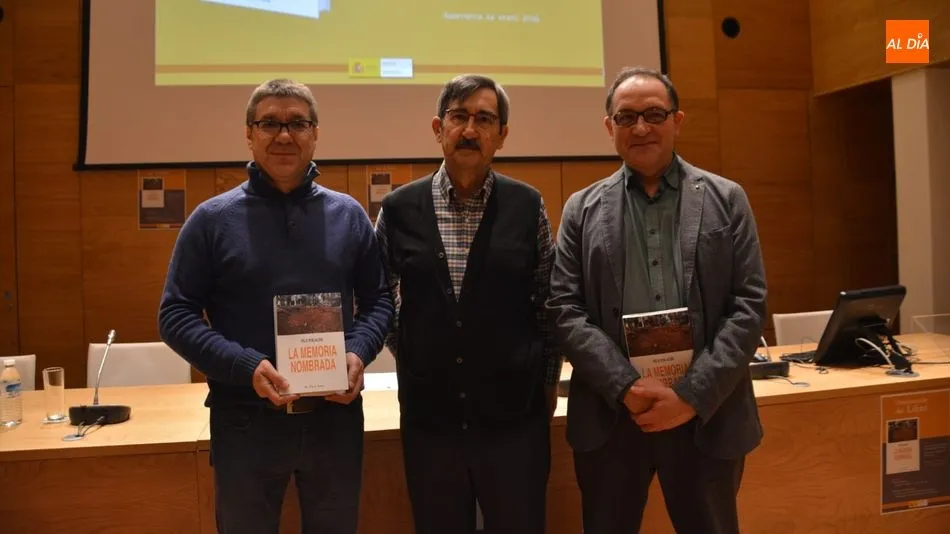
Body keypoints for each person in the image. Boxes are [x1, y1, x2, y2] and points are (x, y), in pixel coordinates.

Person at [158, 78, 394, 534]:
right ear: (249, 133)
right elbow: (175, 314)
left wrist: (357, 352)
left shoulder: (348, 216)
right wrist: (245, 365)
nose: (284, 135)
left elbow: (380, 300)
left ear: (316, 132)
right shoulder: (211, 220)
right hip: (244, 421)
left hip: (335, 421)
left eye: (297, 123)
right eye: (270, 123)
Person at [546, 66, 768, 533]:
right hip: (612, 416)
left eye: (654, 114)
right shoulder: (580, 210)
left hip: (706, 415)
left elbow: (748, 306)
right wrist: (627, 388)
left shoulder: (728, 199)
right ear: (610, 127)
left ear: (677, 121)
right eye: (627, 118)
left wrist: (690, 396)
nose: (641, 128)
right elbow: (564, 311)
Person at [374, 74, 559, 534]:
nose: (470, 130)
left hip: (515, 422)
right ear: (438, 128)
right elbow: (378, 297)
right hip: (430, 423)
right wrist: (415, 354)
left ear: (502, 135)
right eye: (459, 116)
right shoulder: (397, 209)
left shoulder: (527, 204)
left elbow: (551, 301)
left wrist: (548, 377)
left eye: (484, 119)